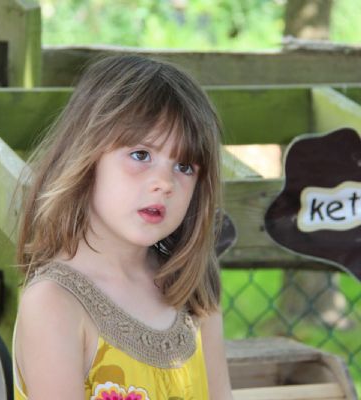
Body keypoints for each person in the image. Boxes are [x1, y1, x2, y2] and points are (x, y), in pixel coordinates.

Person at [13, 55, 233, 400]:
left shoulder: (192, 291)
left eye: (185, 167)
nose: (164, 183)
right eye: (141, 155)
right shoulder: (54, 303)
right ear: (86, 157)